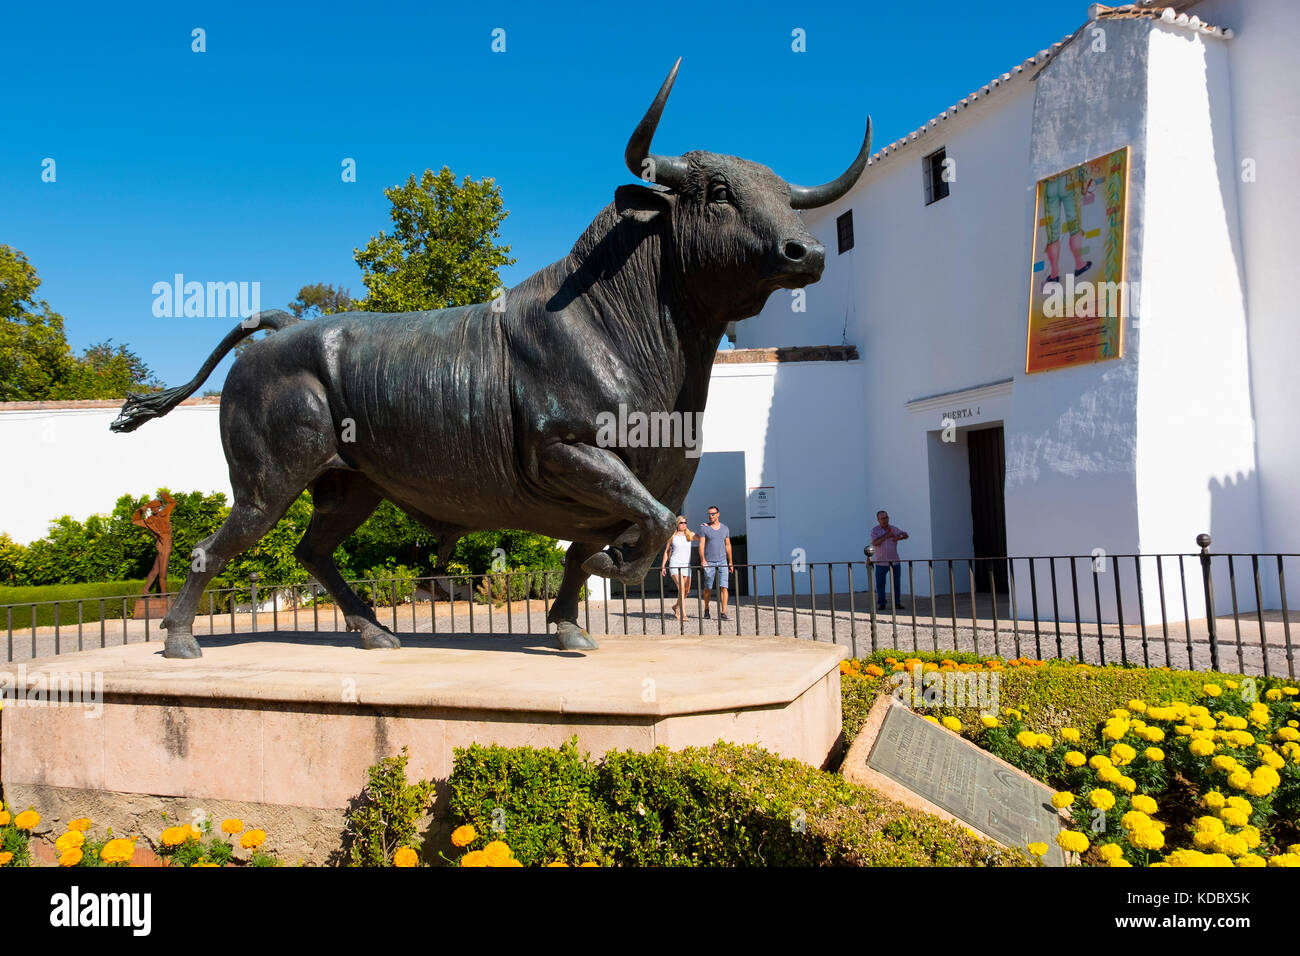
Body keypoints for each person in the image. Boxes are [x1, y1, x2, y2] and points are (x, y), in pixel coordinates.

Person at [698, 506, 733, 621]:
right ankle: (707, 609)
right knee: (708, 587)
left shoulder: (725, 529)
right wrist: (703, 560)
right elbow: (701, 544)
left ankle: (723, 612)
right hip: (709, 561)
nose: (710, 516)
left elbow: (728, 545)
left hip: (723, 561)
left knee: (724, 586)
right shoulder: (704, 528)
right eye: (709, 514)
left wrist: (730, 562)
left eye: (713, 514)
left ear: (718, 514)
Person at [870, 510, 908, 611]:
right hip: (880, 562)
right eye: (883, 518)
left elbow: (905, 535)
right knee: (880, 584)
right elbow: (875, 543)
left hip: (894, 561)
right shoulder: (875, 530)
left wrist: (899, 537)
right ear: (878, 520)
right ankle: (882, 604)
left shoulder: (893, 528)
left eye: (887, 517)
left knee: (896, 583)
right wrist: (887, 535)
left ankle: (897, 603)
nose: (885, 520)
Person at [661, 515, 696, 622]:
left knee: (686, 591)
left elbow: (703, 538)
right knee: (681, 588)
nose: (684, 525)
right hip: (675, 564)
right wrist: (663, 566)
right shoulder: (672, 536)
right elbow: (666, 551)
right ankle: (684, 615)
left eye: (685, 523)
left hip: (686, 565)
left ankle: (676, 606)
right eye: (681, 523)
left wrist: (706, 528)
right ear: (677, 524)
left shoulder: (690, 535)